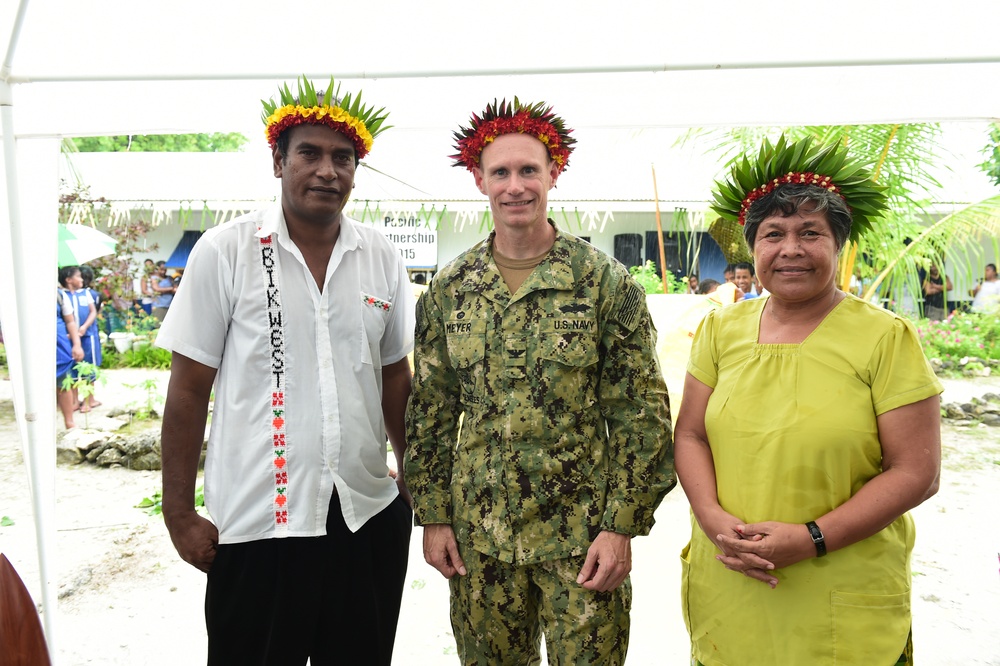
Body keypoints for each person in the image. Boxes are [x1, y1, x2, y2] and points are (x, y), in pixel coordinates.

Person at [404, 98, 675, 664]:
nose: (515, 186)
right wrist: (432, 516)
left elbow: (641, 413)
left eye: (529, 170)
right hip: (479, 541)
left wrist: (621, 526)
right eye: (500, 172)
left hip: (583, 540)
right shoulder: (449, 290)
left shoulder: (602, 282)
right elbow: (429, 412)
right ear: (479, 180)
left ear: (554, 173)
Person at [155, 76, 414, 665]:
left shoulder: (380, 255)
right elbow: (188, 390)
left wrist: (413, 474)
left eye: (343, 158)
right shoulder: (226, 251)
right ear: (278, 162)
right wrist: (178, 514)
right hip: (259, 527)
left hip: (365, 516)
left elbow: (394, 374)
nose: (328, 171)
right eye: (310, 154)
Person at [678, 135, 942, 665]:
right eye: (773, 234)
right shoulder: (720, 330)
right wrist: (709, 515)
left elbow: (916, 472)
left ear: (837, 244)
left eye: (810, 233)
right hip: (733, 582)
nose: (791, 249)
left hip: (838, 591)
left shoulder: (885, 338)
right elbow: (690, 433)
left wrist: (811, 538)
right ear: (752, 249)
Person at [56, 268, 84, 429]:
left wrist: (77, 345)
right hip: (36, 347)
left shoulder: (59, 295)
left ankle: (69, 422)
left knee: (64, 383)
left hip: (59, 345)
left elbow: (70, 321)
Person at [74, 265, 103, 411]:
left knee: (85, 368)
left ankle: (79, 401)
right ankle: (88, 400)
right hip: (88, 335)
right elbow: (97, 311)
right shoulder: (94, 294)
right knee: (87, 368)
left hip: (84, 334)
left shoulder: (85, 294)